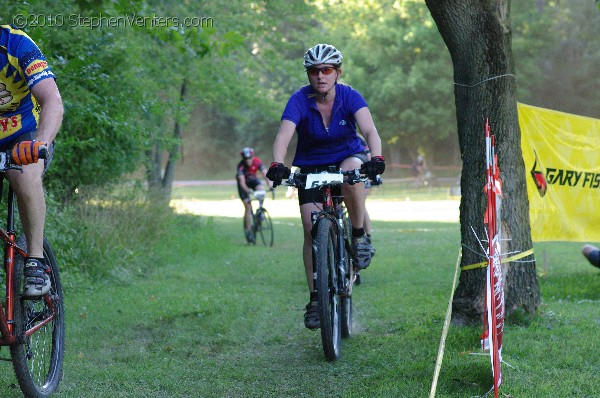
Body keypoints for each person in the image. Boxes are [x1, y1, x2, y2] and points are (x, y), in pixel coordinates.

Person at [266, 44, 385, 329]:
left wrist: (377, 156)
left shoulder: (350, 96)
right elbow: (284, 134)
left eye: (327, 70)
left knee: (352, 171)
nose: (321, 76)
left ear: (337, 73)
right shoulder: (298, 99)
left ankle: (358, 237)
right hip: (311, 166)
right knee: (310, 230)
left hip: (347, 156)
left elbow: (369, 130)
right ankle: (316, 298)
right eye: (314, 71)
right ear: (308, 75)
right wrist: (277, 163)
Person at [0, 25, 63, 297]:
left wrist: (41, 143)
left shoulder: (16, 44)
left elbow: (52, 100)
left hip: (24, 134)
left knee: (24, 176)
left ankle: (35, 261)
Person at [236, 147, 270, 244]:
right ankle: (248, 231)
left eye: (250, 158)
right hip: (243, 185)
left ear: (252, 156)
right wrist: (248, 191)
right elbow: (242, 182)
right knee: (248, 207)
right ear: (243, 159)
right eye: (246, 159)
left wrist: (271, 185)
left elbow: (265, 174)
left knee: (261, 189)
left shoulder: (257, 162)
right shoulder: (241, 166)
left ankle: (260, 210)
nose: (248, 160)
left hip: (252, 180)